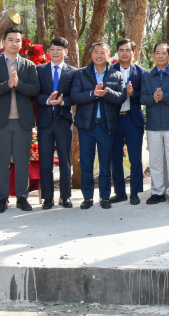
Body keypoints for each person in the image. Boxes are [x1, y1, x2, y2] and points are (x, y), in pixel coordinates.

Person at [0, 26, 41, 213]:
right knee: (1, 161)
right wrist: (7, 85)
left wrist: (19, 85)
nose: (14, 43)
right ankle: (1, 199)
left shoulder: (28, 65)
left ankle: (22, 198)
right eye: (10, 40)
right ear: (3, 42)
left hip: (22, 121)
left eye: (18, 40)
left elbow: (34, 90)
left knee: (22, 160)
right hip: (0, 121)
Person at [71, 42, 127, 209]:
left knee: (105, 162)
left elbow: (121, 98)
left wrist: (107, 93)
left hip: (106, 126)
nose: (99, 55)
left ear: (109, 55)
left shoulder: (116, 75)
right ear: (92, 54)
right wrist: (93, 94)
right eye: (96, 52)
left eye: (103, 52)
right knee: (86, 163)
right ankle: (87, 197)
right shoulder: (81, 74)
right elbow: (74, 96)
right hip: (86, 126)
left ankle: (104, 197)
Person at [35, 37, 76, 209]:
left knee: (65, 161)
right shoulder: (40, 70)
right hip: (45, 121)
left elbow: (75, 95)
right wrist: (46, 100)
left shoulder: (73, 72)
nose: (55, 52)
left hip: (63, 120)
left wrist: (62, 102)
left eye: (59, 49)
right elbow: (34, 94)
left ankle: (65, 196)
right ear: (48, 51)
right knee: (45, 160)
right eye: (52, 49)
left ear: (66, 52)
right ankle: (47, 197)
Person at [141, 42, 169, 205]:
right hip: (152, 125)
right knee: (155, 161)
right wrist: (154, 98)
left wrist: (163, 97)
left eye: (163, 53)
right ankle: (157, 192)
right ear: (153, 55)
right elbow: (142, 98)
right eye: (157, 53)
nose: (160, 56)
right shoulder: (146, 75)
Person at [109, 39, 147, 205]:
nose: (124, 53)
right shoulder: (110, 71)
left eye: (127, 50)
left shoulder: (142, 72)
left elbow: (145, 96)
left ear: (133, 53)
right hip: (115, 119)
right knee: (115, 157)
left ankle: (135, 192)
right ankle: (120, 192)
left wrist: (132, 94)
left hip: (133, 120)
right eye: (121, 50)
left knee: (135, 158)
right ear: (118, 53)